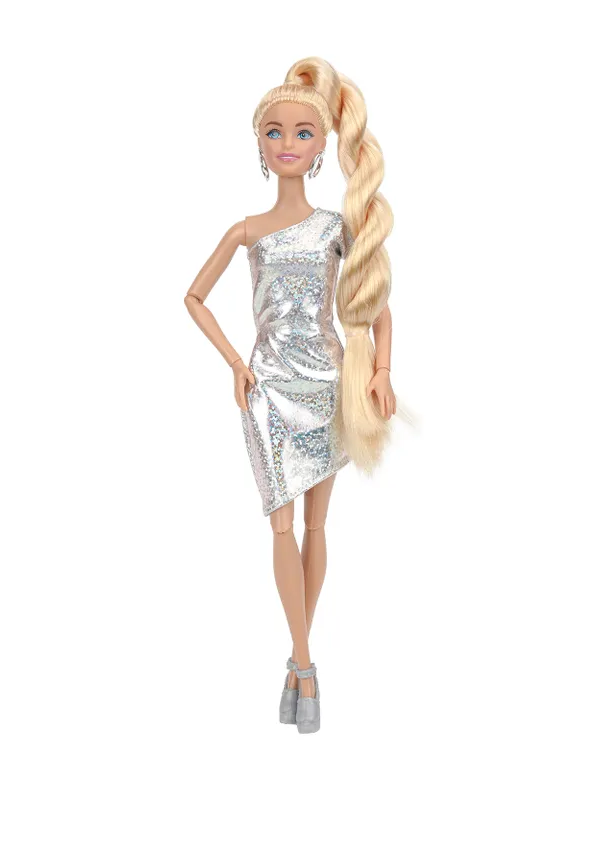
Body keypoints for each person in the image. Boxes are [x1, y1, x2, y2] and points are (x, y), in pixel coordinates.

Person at [184, 56, 396, 733]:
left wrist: (381, 370)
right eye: (274, 132)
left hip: (328, 384)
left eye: (303, 133)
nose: (287, 144)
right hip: (268, 389)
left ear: (323, 145)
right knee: (280, 521)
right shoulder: (246, 230)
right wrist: (234, 363)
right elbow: (193, 297)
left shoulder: (336, 228)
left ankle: (298, 665)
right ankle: (304, 663)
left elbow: (376, 303)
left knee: (316, 526)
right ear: (258, 142)